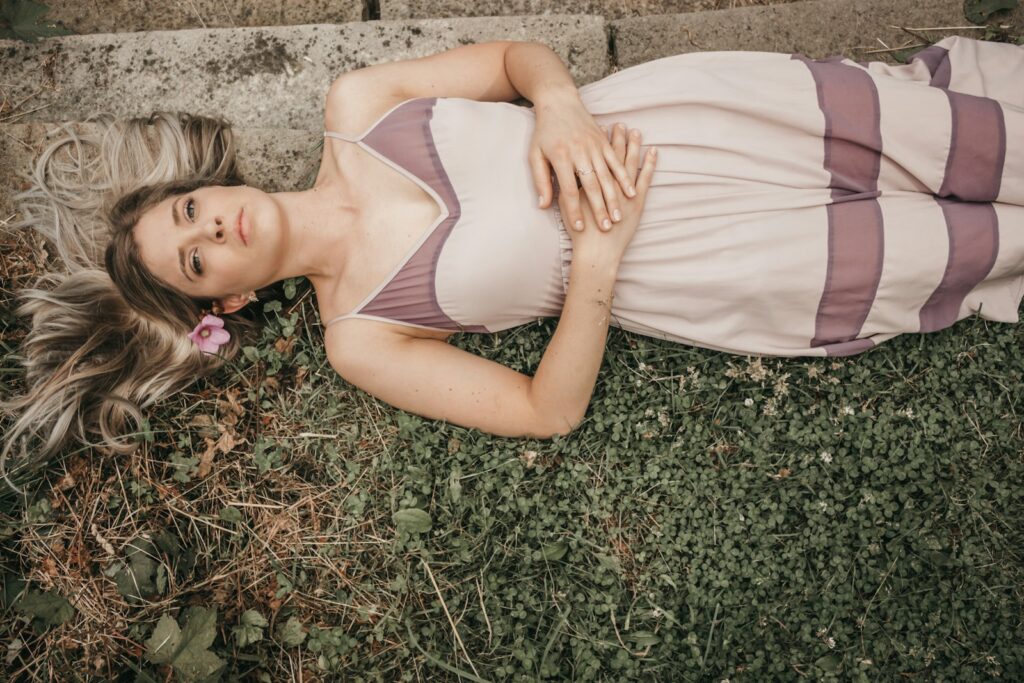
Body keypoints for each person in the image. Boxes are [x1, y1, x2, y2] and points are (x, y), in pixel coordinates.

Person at [1, 37, 1021, 483]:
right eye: (191, 259)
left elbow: (511, 62)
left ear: (213, 184)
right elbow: (548, 410)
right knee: (963, 244)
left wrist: (563, 107)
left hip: (682, 123)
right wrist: (598, 264)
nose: (209, 228)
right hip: (703, 259)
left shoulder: (359, 108)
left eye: (190, 209)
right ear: (224, 297)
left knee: (955, 137)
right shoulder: (361, 336)